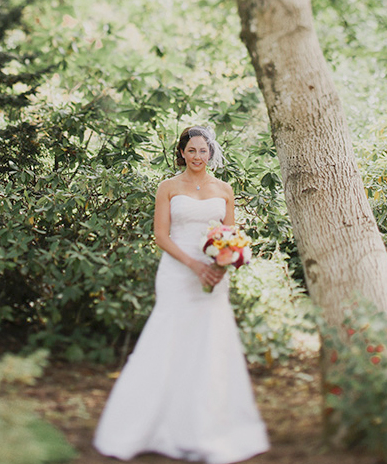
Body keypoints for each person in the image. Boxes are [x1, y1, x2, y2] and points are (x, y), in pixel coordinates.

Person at [93, 125, 270, 464]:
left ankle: (207, 425)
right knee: (169, 340)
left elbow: (230, 235)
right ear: (182, 153)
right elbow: (161, 236)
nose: (198, 157)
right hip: (178, 271)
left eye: (203, 151)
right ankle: (150, 425)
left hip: (214, 275)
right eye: (191, 151)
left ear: (210, 152)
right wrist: (193, 264)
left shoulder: (225, 189)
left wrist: (222, 264)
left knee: (210, 343)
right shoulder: (168, 187)